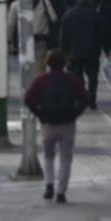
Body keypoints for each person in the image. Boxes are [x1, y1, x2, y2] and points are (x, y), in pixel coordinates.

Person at [23, 49, 89, 203]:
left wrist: (39, 113)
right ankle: (61, 192)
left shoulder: (41, 80)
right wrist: (75, 113)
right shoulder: (73, 80)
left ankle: (49, 184)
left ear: (47, 63)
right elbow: (84, 99)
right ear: (65, 63)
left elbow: (28, 98)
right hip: (67, 123)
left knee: (48, 156)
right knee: (66, 159)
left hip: (48, 123)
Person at [61, 0, 101, 108]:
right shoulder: (95, 14)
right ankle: (92, 100)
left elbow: (64, 36)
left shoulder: (69, 14)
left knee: (77, 77)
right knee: (93, 77)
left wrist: (64, 52)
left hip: (74, 52)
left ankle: (80, 98)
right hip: (92, 52)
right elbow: (101, 34)